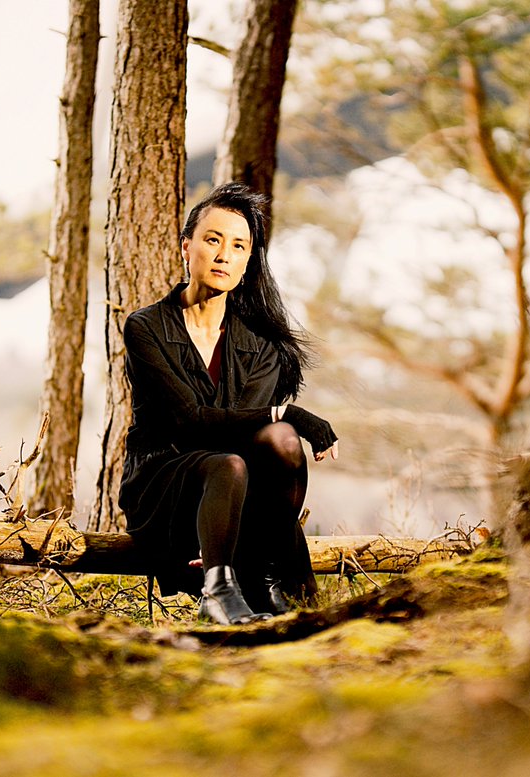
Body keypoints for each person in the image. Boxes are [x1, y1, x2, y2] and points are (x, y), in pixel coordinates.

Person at [117, 182, 339, 626]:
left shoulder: (263, 347)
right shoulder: (146, 328)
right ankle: (218, 590)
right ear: (187, 247)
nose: (224, 255)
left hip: (237, 504)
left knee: (278, 441)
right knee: (231, 461)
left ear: (247, 262)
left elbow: (244, 436)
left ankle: (272, 577)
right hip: (165, 487)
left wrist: (280, 422)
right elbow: (190, 424)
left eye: (239, 246)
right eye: (213, 240)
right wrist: (288, 410)